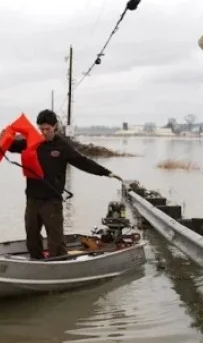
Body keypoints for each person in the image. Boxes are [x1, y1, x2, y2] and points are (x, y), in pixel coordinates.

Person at [7, 109, 122, 259]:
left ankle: (59, 263)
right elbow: (10, 146)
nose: (44, 132)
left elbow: (82, 162)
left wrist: (106, 172)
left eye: (47, 129)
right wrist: (6, 137)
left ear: (55, 127)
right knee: (31, 235)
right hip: (32, 199)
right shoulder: (31, 142)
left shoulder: (62, 146)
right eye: (41, 129)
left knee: (55, 240)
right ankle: (36, 261)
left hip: (52, 200)